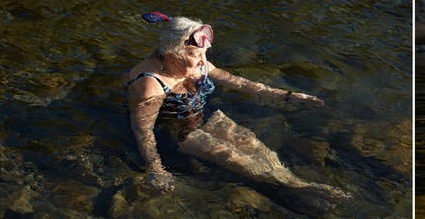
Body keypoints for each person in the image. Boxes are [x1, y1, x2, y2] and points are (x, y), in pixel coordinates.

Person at [125, 13, 346, 199]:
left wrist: (288, 95)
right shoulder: (150, 84)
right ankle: (302, 187)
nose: (203, 60)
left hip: (204, 118)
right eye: (196, 54)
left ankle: (294, 180)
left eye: (205, 52)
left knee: (249, 141)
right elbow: (142, 129)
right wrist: (156, 169)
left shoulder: (195, 63)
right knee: (233, 157)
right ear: (172, 56)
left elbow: (239, 82)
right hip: (180, 134)